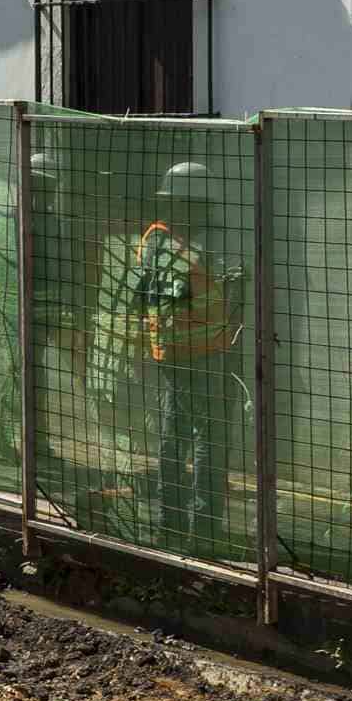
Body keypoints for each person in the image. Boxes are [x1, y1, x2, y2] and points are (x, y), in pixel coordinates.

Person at [125, 159, 243, 553]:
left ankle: (169, 523)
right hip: (205, 355)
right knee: (209, 438)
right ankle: (205, 528)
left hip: (171, 353)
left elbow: (140, 296)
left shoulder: (155, 239)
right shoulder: (195, 248)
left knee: (173, 435)